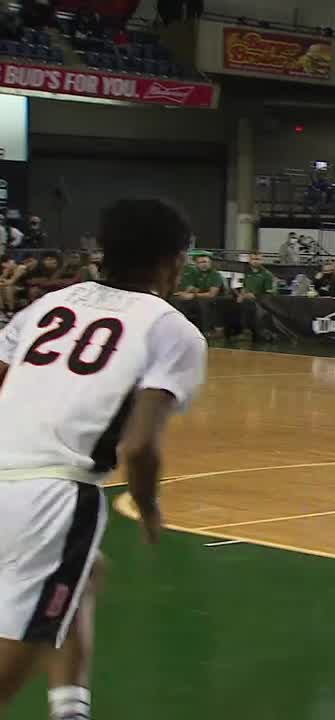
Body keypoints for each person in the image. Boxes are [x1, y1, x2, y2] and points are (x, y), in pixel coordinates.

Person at [0, 198, 207, 716]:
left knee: (84, 573)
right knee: (21, 641)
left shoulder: (49, 304)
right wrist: (149, 506)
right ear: (172, 260)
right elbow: (139, 445)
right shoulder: (170, 328)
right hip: (51, 493)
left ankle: (70, 708)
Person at [237, 252, 275, 342]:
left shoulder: (267, 275)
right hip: (247, 298)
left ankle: (247, 333)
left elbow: (268, 293)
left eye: (257, 259)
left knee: (248, 304)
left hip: (261, 301)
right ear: (249, 260)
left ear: (262, 260)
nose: (255, 261)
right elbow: (244, 287)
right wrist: (241, 295)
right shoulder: (247, 273)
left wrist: (255, 296)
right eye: (253, 259)